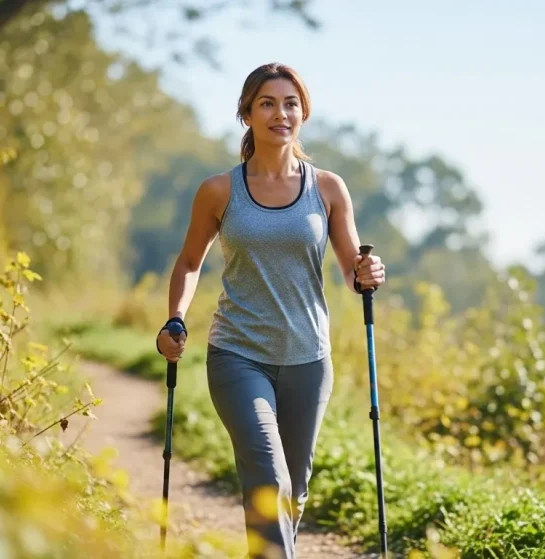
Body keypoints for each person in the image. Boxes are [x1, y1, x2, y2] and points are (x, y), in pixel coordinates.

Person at [155, 62, 386, 558]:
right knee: (268, 477)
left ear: (303, 113)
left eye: (290, 104)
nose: (280, 113)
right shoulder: (219, 190)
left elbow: (350, 269)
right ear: (246, 114)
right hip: (238, 354)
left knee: (293, 491)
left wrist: (367, 274)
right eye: (267, 103)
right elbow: (190, 263)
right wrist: (175, 317)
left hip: (308, 357)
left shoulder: (327, 188)